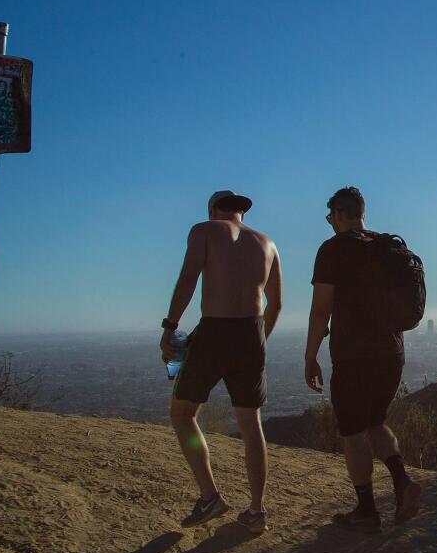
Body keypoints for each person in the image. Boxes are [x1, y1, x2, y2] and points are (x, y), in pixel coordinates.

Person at [160, 190, 282, 534]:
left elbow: (188, 279)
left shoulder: (205, 230)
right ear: (241, 212)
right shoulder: (268, 243)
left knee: (183, 413)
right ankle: (257, 510)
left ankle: (210, 496)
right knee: (250, 422)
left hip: (215, 330)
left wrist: (170, 326)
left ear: (214, 209)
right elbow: (277, 304)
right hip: (252, 333)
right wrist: (259, 340)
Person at [305, 186, 422, 533]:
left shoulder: (333, 250)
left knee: (353, 431)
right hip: (392, 353)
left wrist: (311, 356)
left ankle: (366, 511)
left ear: (340, 213)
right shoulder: (389, 246)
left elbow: (320, 309)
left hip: (354, 355)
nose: (330, 223)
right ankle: (402, 484)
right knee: (374, 421)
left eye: (330, 217)